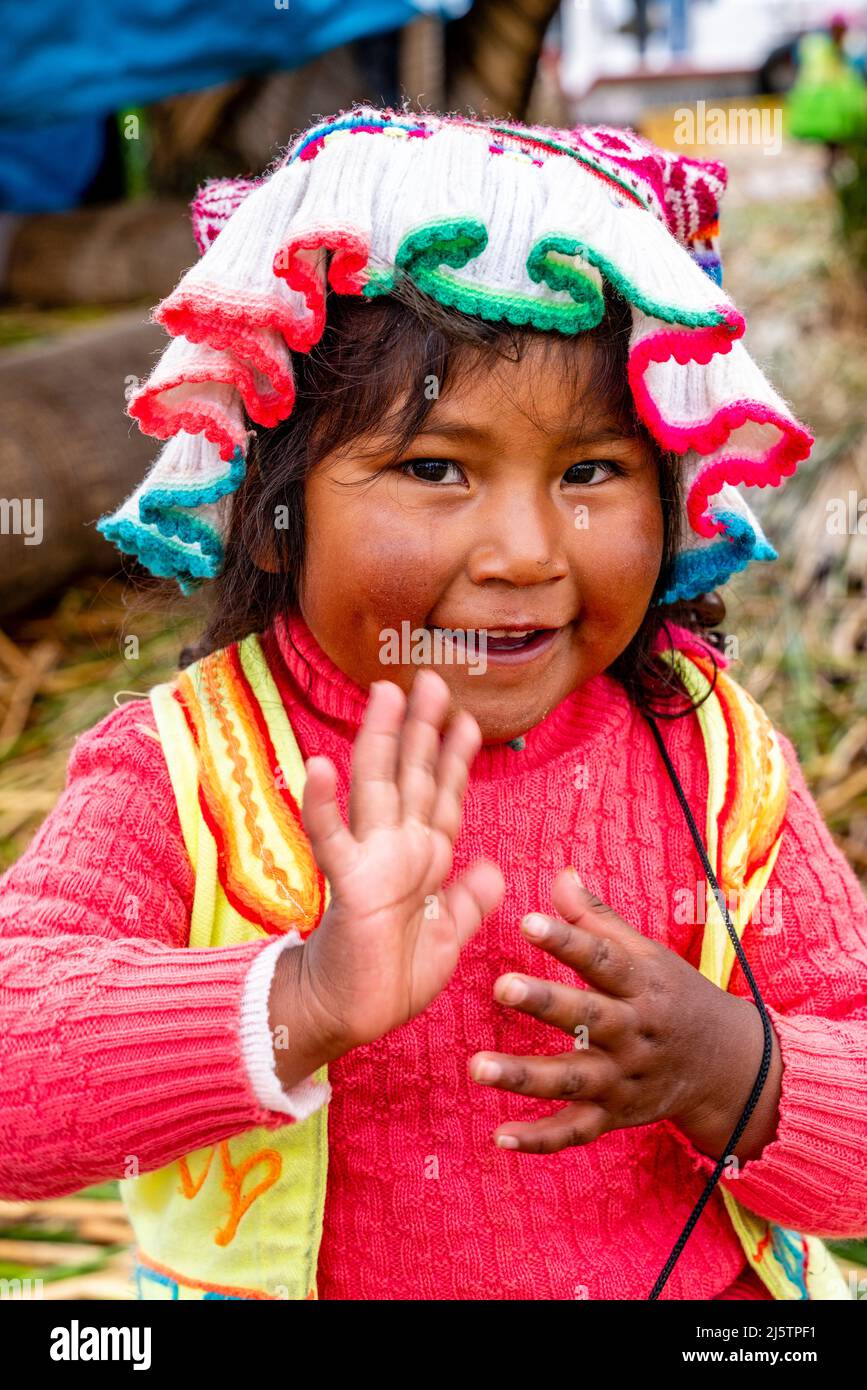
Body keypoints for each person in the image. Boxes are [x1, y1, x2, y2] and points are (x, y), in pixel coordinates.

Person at [1, 105, 866, 1302]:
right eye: (435, 468)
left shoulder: (714, 759)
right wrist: (298, 1000)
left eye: (591, 471)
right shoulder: (192, 770)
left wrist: (742, 1069)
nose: (523, 550)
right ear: (274, 497)